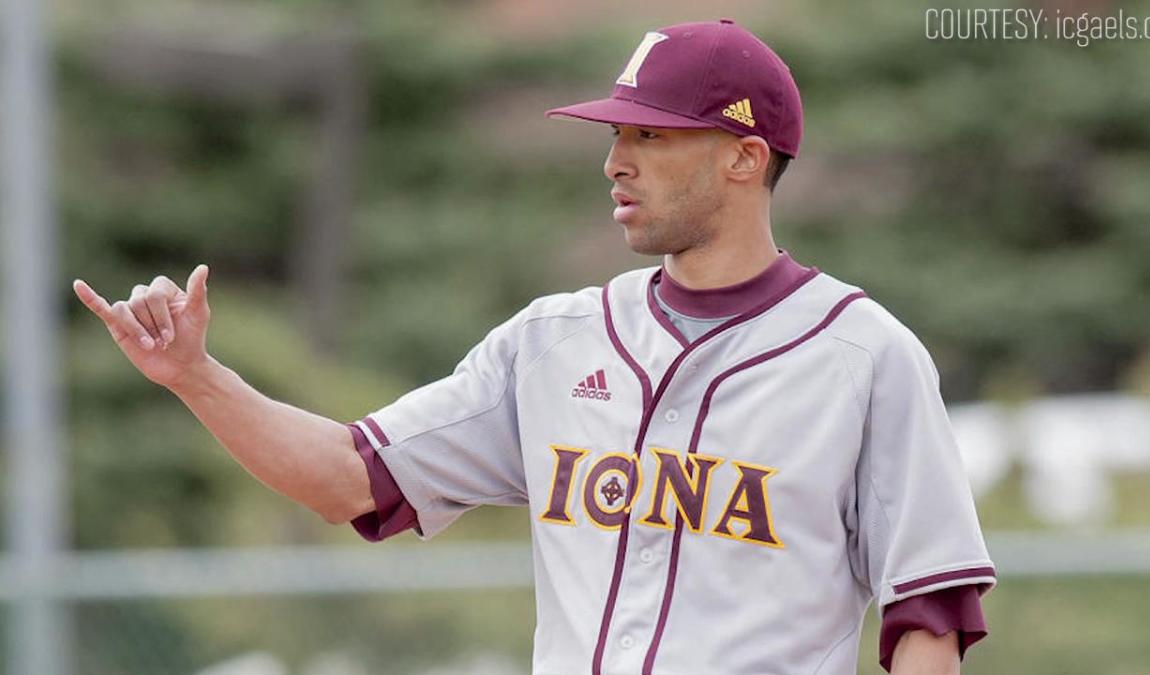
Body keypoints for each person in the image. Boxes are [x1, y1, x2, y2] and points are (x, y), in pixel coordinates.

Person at [74, 18, 995, 675]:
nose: (614, 161)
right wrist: (195, 376)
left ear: (743, 157)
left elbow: (928, 622)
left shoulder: (864, 356)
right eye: (614, 133)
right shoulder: (554, 342)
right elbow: (348, 477)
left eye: (649, 134)